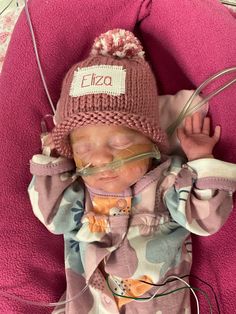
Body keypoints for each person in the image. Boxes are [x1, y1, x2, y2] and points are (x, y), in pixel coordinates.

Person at [28, 29, 236, 314]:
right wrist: (52, 157)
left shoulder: (169, 182)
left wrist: (201, 159)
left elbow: (205, 220)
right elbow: (53, 217)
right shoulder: (78, 193)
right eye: (83, 148)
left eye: (120, 142)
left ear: (150, 142)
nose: (100, 158)